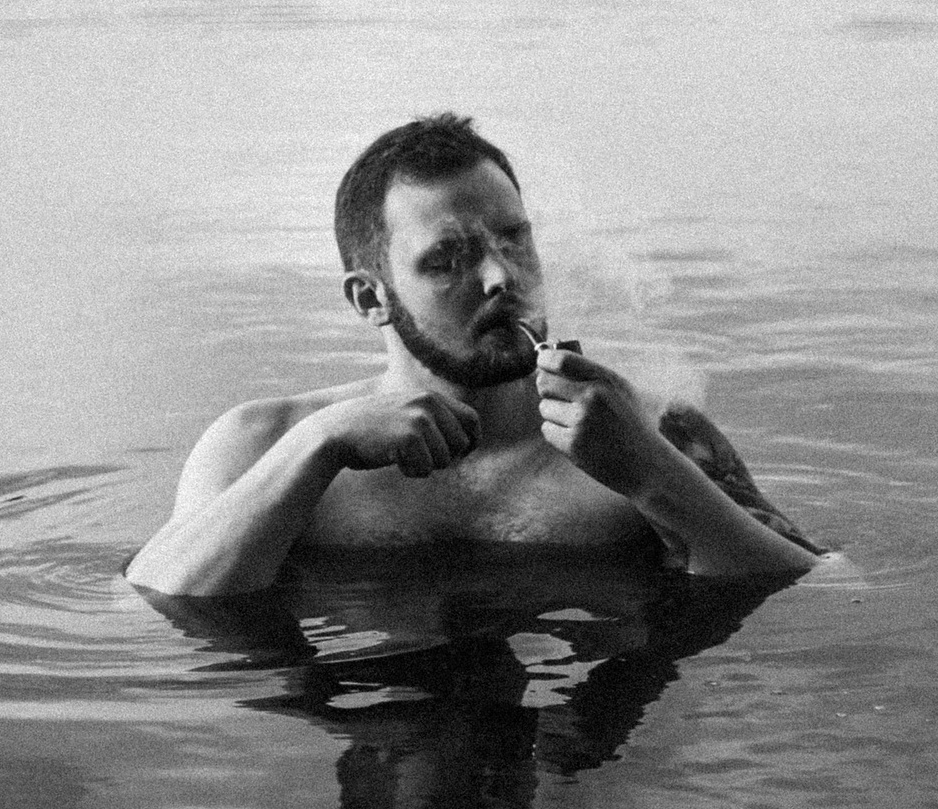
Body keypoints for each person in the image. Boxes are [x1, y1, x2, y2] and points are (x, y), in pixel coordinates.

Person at [125, 113, 820, 599]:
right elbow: (154, 599)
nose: (500, 277)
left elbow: (824, 586)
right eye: (449, 259)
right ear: (371, 299)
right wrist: (320, 445)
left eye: (513, 239)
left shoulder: (654, 430)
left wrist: (655, 475)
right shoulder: (261, 441)